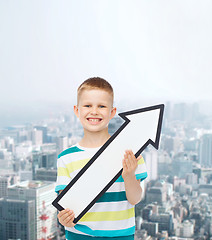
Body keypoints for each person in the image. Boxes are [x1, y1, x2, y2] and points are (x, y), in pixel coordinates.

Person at [55, 77, 147, 239]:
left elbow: (135, 199)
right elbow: (66, 208)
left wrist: (129, 175)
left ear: (112, 112)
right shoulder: (66, 158)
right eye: (88, 105)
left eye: (102, 106)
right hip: (79, 235)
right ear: (77, 111)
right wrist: (65, 220)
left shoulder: (130, 153)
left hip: (121, 236)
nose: (94, 111)